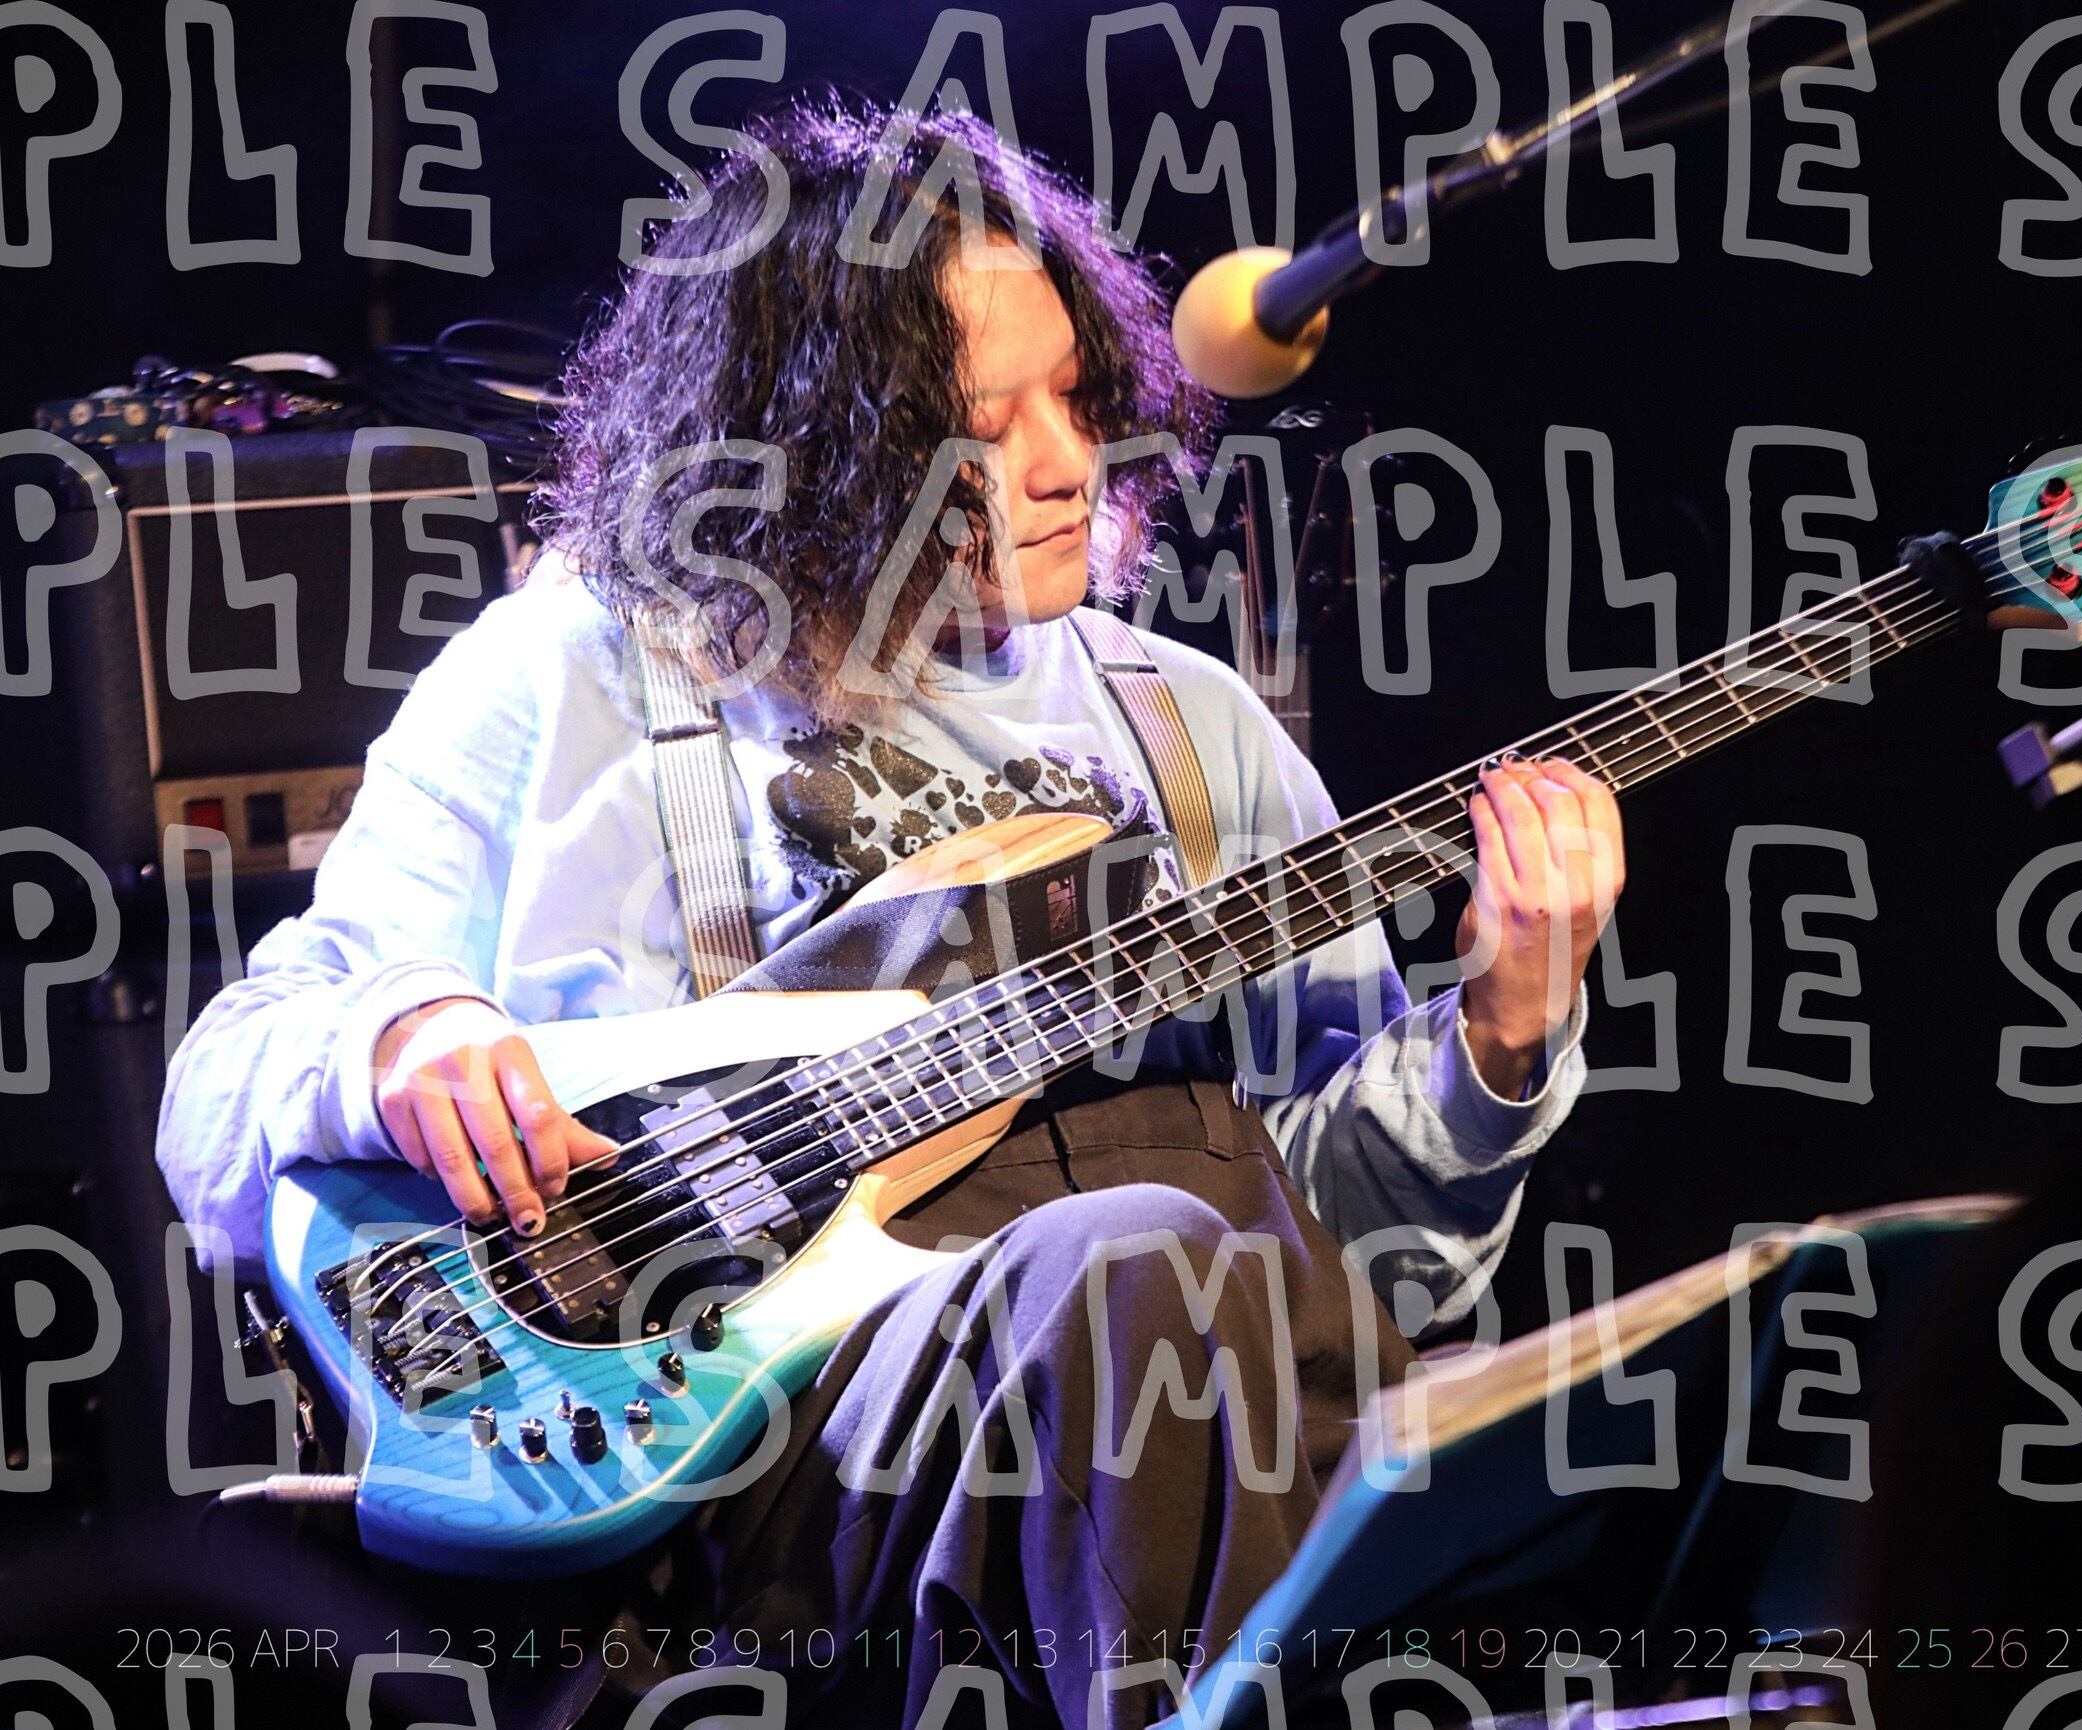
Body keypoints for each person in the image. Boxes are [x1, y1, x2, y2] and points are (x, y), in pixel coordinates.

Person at [156, 100, 1625, 1729]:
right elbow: (222, 1085)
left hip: (1155, 1451)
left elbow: (1346, 1288)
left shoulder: (1194, 730)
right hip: (753, 1490)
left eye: (1078, 393)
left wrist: (1500, 1036)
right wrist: (397, 1040)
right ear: (819, 445)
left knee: (1488, 1366)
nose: (1068, 462)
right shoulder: (569, 678)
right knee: (1130, 1266)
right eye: (987, 425)